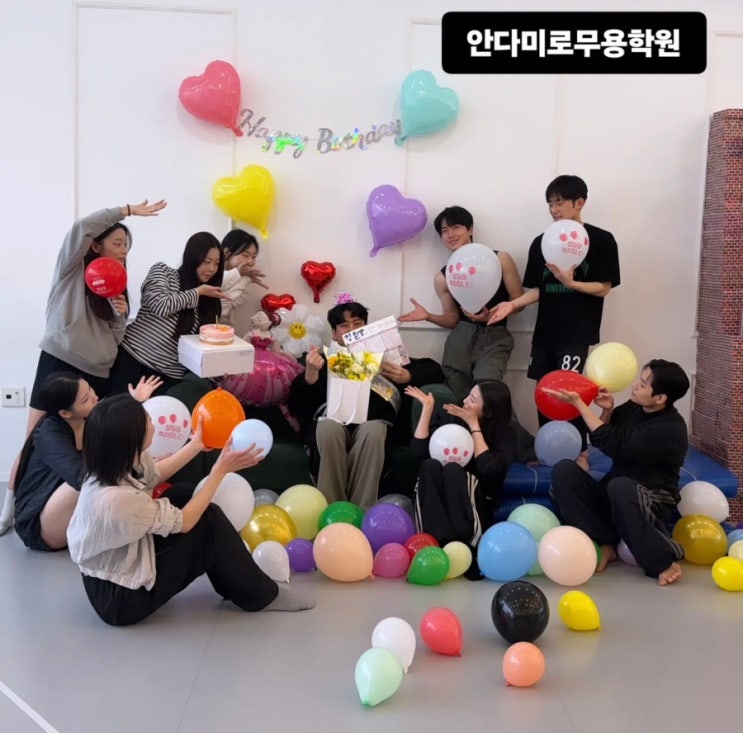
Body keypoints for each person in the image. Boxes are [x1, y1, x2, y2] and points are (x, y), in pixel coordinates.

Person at [66, 394, 315, 626]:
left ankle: (235, 583)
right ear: (130, 439)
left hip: (115, 567)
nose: (153, 423)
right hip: (121, 598)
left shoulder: (111, 463)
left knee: (184, 493)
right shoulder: (117, 501)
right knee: (208, 522)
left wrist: (196, 445)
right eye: (147, 421)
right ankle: (263, 596)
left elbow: (155, 474)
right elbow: (185, 522)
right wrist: (220, 470)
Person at [1, 199, 166, 535]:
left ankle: (76, 514)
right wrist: (126, 210)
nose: (123, 251)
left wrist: (120, 316)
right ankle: (9, 510)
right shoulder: (71, 271)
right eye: (117, 243)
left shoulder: (117, 285)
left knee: (88, 445)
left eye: (126, 246)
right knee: (33, 439)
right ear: (95, 245)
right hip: (59, 361)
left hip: (97, 374)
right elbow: (82, 227)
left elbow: (115, 338)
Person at [488, 176, 621, 462]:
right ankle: (550, 449)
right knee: (545, 391)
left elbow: (604, 288)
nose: (554, 209)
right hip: (546, 331)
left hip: (577, 331)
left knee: (569, 392)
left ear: (579, 203)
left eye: (560, 203)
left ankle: (579, 452)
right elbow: (539, 290)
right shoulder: (542, 242)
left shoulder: (601, 240)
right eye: (550, 203)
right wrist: (511, 305)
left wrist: (572, 284)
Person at [544, 359, 690, 586]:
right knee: (565, 470)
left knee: (620, 486)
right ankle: (605, 542)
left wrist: (580, 405)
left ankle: (663, 560)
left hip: (650, 497)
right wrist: (607, 410)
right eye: (639, 380)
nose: (635, 385)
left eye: (643, 384)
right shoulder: (635, 407)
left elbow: (614, 441)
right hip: (615, 491)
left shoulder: (670, 428)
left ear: (660, 398)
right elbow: (602, 437)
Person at [287, 299, 444, 509]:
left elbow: (434, 370)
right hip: (334, 424)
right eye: (344, 326)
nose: (352, 330)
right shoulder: (323, 360)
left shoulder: (387, 359)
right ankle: (331, 510)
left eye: (358, 324)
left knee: (374, 430)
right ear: (334, 334)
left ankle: (362, 511)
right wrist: (311, 374)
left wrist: (408, 375)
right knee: (327, 427)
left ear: (367, 328)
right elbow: (297, 402)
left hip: (373, 426)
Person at [12, 372, 164, 551]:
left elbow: (116, 422)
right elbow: (82, 478)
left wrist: (134, 400)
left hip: (77, 510)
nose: (95, 397)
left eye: (90, 389)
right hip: (39, 526)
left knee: (128, 460)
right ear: (65, 413)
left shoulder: (90, 417)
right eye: (85, 399)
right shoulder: (48, 435)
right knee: (99, 473)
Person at [399, 205, 524, 402]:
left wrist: (491, 315)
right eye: (444, 230)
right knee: (456, 397)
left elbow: (519, 303)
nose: (450, 235)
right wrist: (428, 316)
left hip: (494, 337)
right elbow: (452, 319)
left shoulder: (500, 259)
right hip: (460, 340)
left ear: (470, 229)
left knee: (487, 395)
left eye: (456, 227)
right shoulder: (443, 277)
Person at [407, 381, 526, 579]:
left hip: (474, 500)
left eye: (472, 400)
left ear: (488, 411)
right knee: (429, 466)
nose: (465, 402)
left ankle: (467, 547)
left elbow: (488, 469)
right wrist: (427, 409)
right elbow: (418, 454)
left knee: (454, 470)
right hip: (440, 498)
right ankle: (433, 543)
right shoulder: (450, 417)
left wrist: (473, 425)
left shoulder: (506, 433)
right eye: (468, 395)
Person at [109, 232, 226, 395]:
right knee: (116, 408)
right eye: (207, 261)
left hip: (166, 376)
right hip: (133, 358)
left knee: (148, 413)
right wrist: (197, 292)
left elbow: (200, 346)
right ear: (192, 258)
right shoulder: (164, 272)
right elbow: (160, 305)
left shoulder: (209, 299)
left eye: (216, 263)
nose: (211, 269)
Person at [220, 229, 268, 325]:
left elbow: (231, 306)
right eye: (245, 255)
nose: (251, 262)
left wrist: (246, 281)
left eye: (254, 257)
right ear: (227, 252)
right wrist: (241, 277)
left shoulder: (242, 276)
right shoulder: (211, 272)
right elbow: (219, 286)